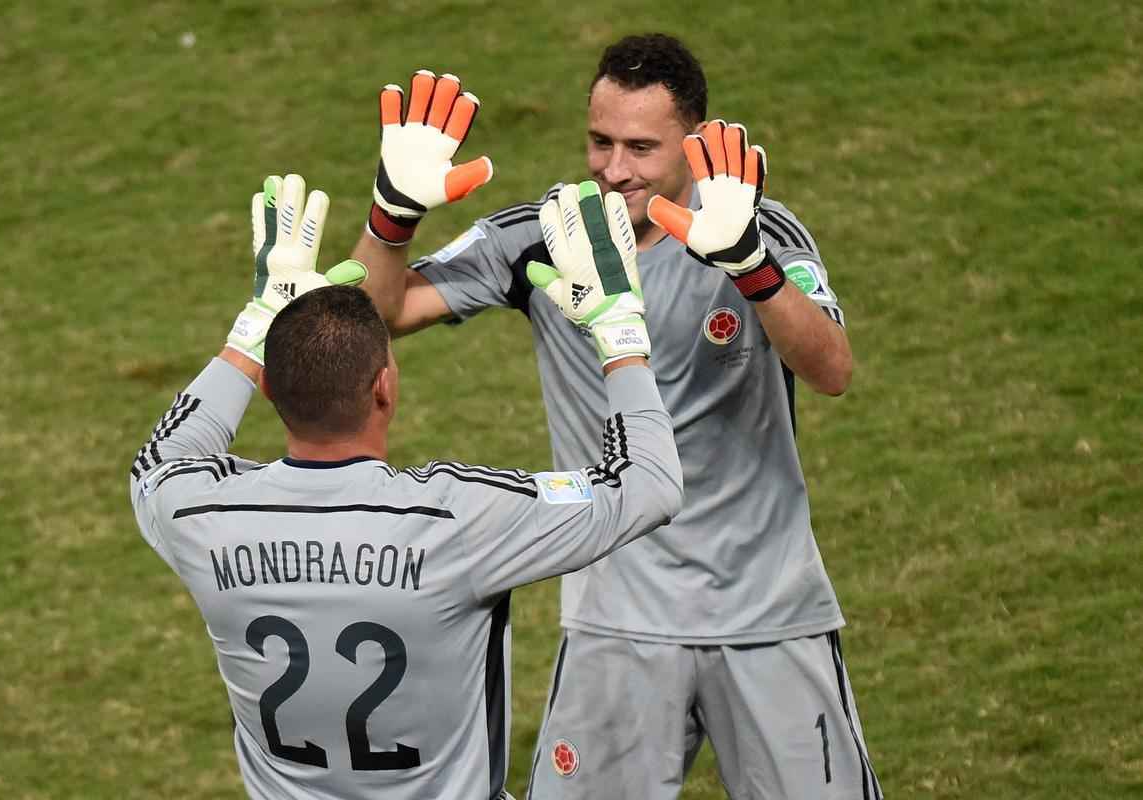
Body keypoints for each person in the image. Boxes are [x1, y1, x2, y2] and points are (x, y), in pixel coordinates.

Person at [349, 35, 881, 800]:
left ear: (696, 144)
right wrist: (391, 217)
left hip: (769, 613)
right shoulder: (541, 234)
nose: (614, 168)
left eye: (640, 146)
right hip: (615, 621)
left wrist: (749, 266)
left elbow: (831, 369)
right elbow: (374, 316)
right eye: (599, 141)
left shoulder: (759, 231)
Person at [128, 170, 683, 800]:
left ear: (269, 390)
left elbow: (159, 458)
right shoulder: (458, 519)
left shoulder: (199, 515)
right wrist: (620, 335)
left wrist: (253, 330)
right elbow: (648, 485)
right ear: (385, 389)